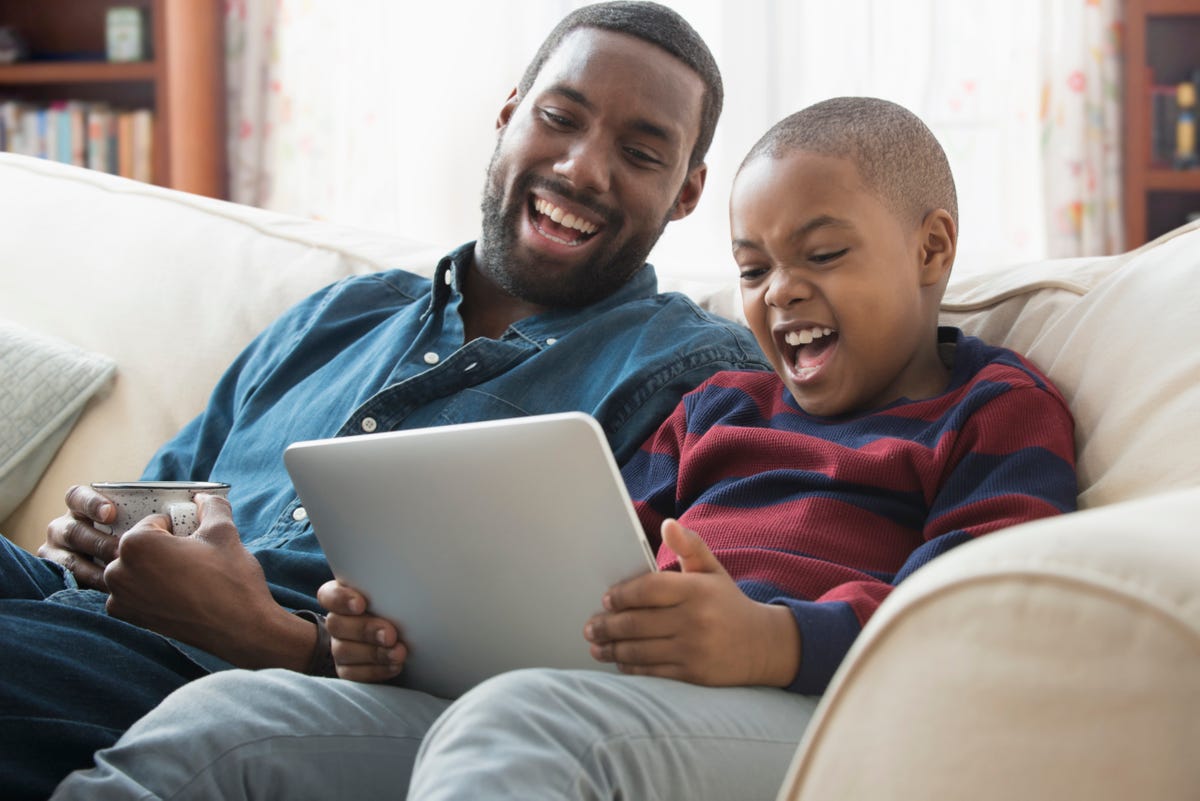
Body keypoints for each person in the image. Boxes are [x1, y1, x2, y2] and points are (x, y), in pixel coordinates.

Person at [51, 97, 1077, 800]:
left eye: (823, 255)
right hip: (582, 703)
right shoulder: (722, 403)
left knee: (522, 723)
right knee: (230, 718)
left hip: (806, 720)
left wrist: (768, 640)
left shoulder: (993, 409)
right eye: (753, 267)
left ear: (933, 249)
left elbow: (964, 626)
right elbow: (582, 566)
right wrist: (398, 641)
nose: (779, 294)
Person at [0, 4, 773, 798]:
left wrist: (267, 636)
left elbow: (561, 690)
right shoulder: (342, 311)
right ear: (507, 116)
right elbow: (164, 501)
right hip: (74, 614)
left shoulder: (693, 373)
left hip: (225, 689)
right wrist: (97, 538)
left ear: (687, 192)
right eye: (558, 118)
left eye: (641, 153)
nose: (582, 169)